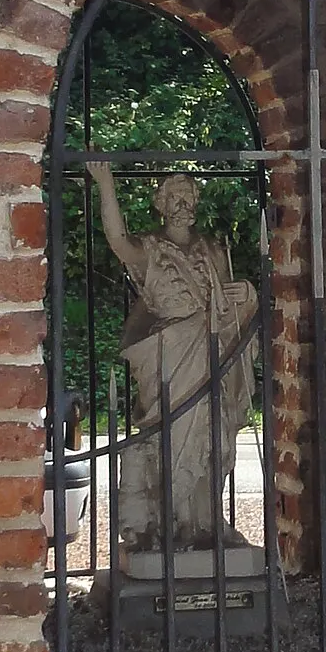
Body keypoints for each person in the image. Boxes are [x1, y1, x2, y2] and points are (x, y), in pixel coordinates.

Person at [85, 164, 259, 553]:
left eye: (189, 195)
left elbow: (228, 306)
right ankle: (170, 521)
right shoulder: (149, 247)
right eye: (175, 196)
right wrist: (106, 184)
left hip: (210, 351)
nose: (183, 203)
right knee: (170, 433)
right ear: (161, 204)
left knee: (212, 435)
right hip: (169, 354)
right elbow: (117, 240)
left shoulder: (213, 249)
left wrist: (243, 295)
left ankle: (205, 520)